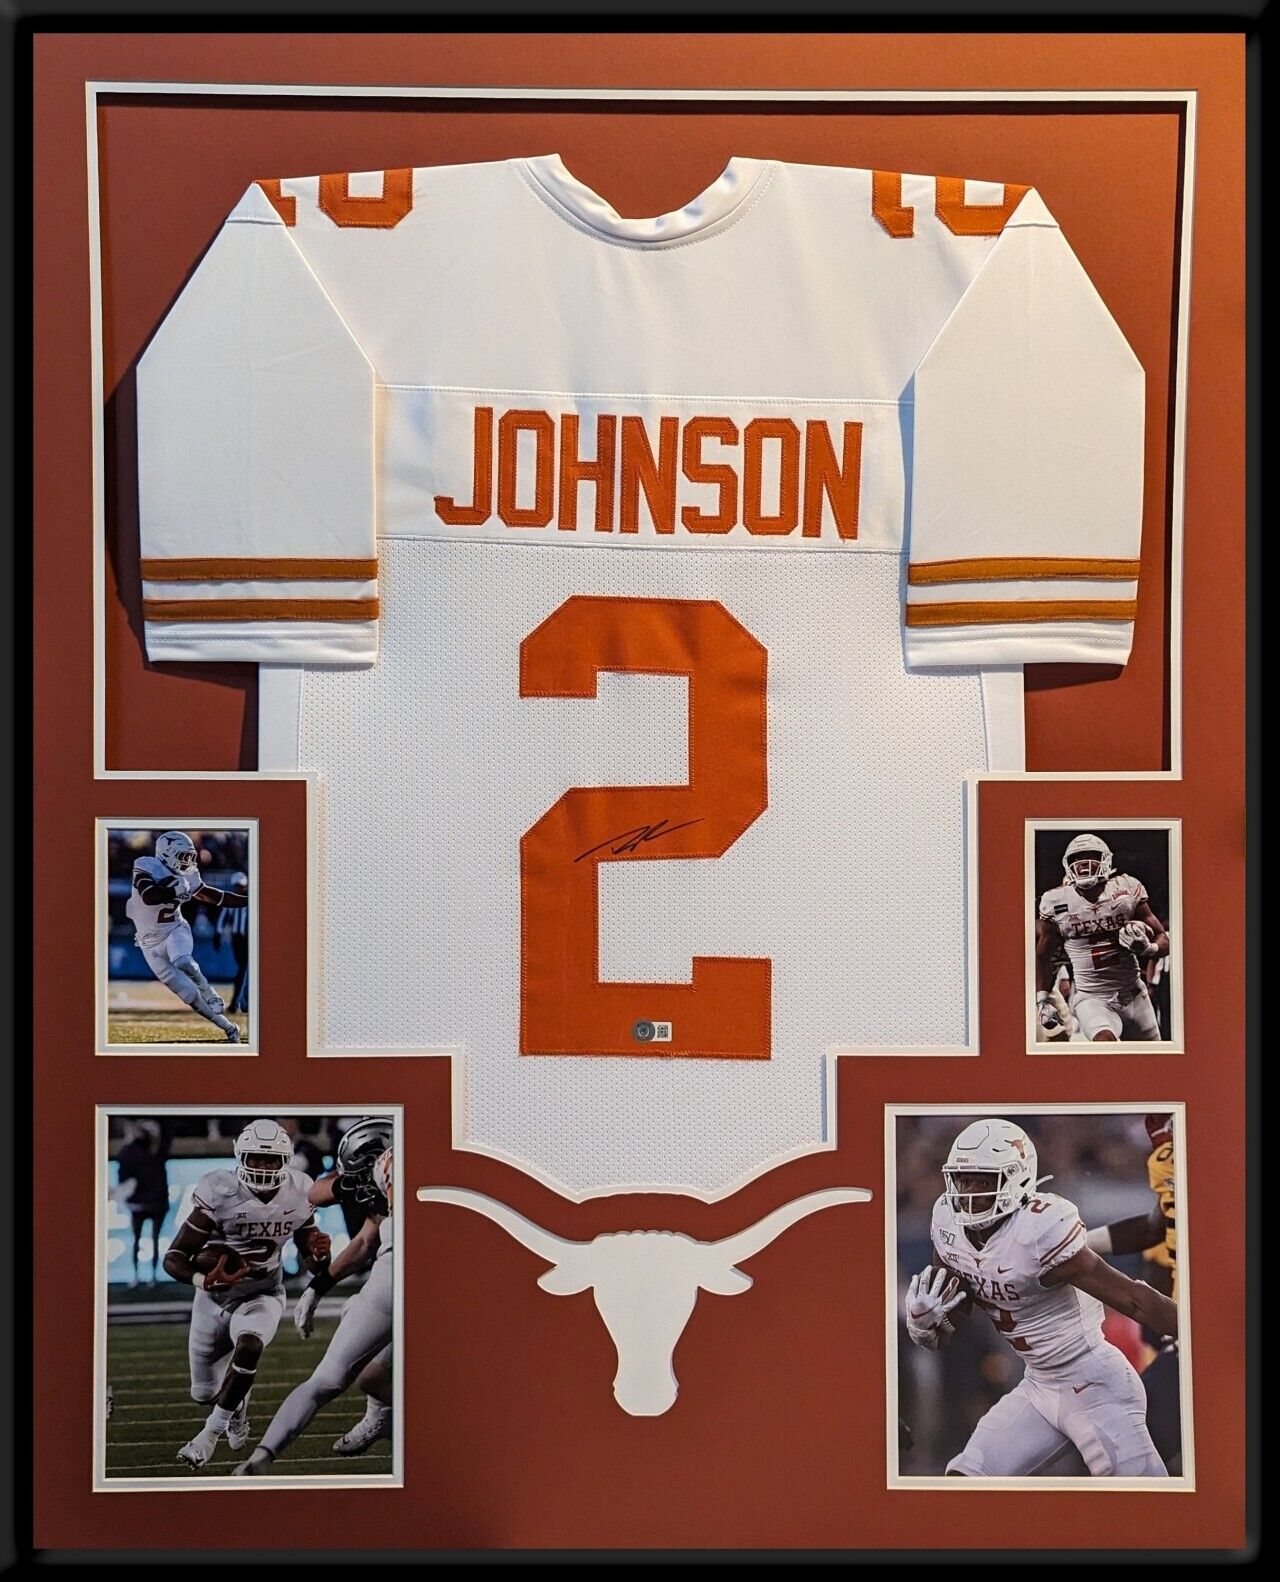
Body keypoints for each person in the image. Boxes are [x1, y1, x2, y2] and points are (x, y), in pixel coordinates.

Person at [905, 1117, 1177, 1477]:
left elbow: (1132, 1298)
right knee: (965, 1478)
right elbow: (955, 1319)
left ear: (1015, 1179)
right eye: (963, 1179)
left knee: (1143, 1496)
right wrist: (926, 1324)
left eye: (982, 1181)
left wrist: (1200, 1332)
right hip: (1038, 1385)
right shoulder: (948, 1223)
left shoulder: (1038, 1231)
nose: (968, 1192)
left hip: (1095, 1383)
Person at [163, 1119, 331, 1470]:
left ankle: (209, 1435)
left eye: (271, 1160)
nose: (264, 1167)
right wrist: (204, 1280)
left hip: (263, 1291)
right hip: (213, 1298)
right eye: (256, 1158)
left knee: (251, 1346)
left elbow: (312, 1262)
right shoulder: (219, 1190)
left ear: (286, 1160)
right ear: (240, 1157)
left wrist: (319, 1256)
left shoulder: (300, 1190)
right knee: (204, 1394)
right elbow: (174, 1257)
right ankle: (237, 1402)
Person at [235, 1123, 394, 1474]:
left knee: (329, 1378)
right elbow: (363, 1239)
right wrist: (317, 1287)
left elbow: (318, 1193)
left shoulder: (388, 1165)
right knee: (370, 1376)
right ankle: (387, 1419)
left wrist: (348, 1182)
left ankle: (262, 1457)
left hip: (401, 1274)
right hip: (440, 1276)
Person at [1035, 834, 1169, 1042]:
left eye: (1091, 856)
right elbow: (1044, 956)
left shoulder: (1126, 889)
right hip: (1092, 997)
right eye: (1077, 858)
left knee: (1152, 1056)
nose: (1084, 863)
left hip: (1134, 994)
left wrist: (1147, 949)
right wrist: (1042, 1000)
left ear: (1105, 861)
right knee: (1104, 1042)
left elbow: (1164, 939)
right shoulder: (1056, 902)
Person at [125, 831, 245, 1042]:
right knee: (188, 995)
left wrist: (250, 899)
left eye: (190, 856)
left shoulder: (189, 874)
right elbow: (149, 896)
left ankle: (209, 992)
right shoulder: (146, 865)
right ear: (167, 853)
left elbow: (215, 896)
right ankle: (228, 1027)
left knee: (182, 960)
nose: (188, 861)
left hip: (175, 929)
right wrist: (173, 891)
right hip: (148, 943)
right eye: (183, 856)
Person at [112, 1119, 170, 1287]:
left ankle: (140, 1276)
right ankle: (150, 1277)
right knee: (151, 1239)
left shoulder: (130, 1152)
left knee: (141, 1239)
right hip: (153, 1203)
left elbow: (123, 1176)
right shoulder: (155, 1150)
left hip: (145, 1203)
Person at [216, 871, 250, 1014]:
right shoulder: (231, 900)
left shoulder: (252, 899)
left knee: (243, 970)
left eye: (241, 886)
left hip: (250, 938)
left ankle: (237, 1002)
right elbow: (223, 917)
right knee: (243, 970)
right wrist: (217, 934)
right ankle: (240, 1002)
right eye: (237, 886)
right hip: (237, 939)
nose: (239, 888)